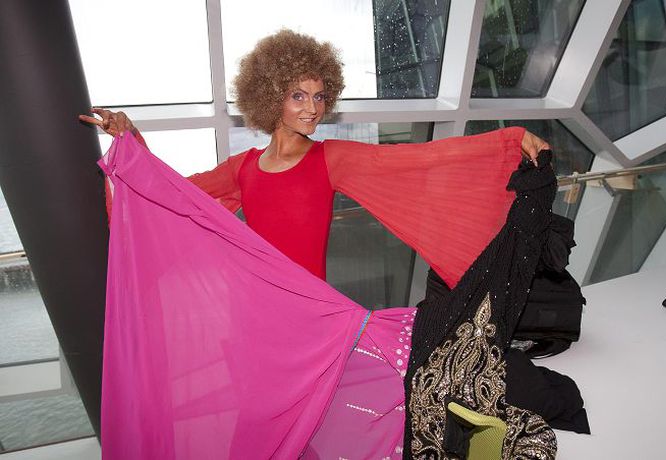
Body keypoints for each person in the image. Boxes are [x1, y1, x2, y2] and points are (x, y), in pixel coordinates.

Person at [81, 29, 557, 459]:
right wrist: (132, 141)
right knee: (258, 420)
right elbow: (172, 196)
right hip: (250, 321)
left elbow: (419, 161)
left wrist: (509, 141)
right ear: (271, 97)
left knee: (327, 412)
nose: (312, 107)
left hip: (310, 321)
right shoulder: (243, 168)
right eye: (298, 95)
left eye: (319, 95)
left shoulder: (331, 158)